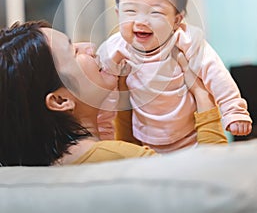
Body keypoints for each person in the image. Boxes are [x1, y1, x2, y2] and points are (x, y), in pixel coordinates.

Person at [0, 20, 227, 166]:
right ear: (60, 100)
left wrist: (125, 92)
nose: (88, 46)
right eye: (73, 51)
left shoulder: (48, 164)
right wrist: (202, 94)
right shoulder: (121, 160)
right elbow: (210, 178)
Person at [97, 0, 252, 153]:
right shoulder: (115, 47)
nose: (141, 21)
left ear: (176, 20)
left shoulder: (185, 40)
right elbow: (103, 90)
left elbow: (216, 73)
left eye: (155, 12)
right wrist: (105, 134)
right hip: (145, 140)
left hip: (190, 137)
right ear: (118, 13)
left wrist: (233, 111)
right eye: (130, 11)